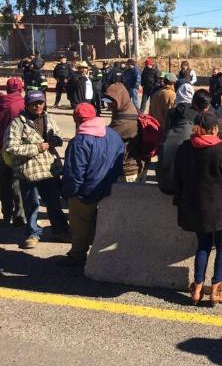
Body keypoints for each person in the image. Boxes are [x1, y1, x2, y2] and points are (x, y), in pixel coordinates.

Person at [174, 111, 222, 306]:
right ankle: (216, 290)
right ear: (214, 129)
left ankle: (196, 288)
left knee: (203, 246)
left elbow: (177, 176)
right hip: (219, 208)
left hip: (195, 207)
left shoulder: (185, 148)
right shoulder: (221, 149)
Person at [4, 90, 70, 249]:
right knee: (31, 204)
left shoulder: (49, 118)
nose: (38, 106)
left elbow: (58, 135)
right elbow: (10, 146)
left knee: (53, 202)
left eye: (40, 102)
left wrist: (57, 140)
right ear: (26, 104)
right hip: (29, 171)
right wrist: (37, 148)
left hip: (48, 169)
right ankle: (32, 233)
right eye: (34, 103)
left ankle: (60, 231)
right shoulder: (18, 122)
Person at [61, 103, 124, 265]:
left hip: (85, 193)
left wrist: (69, 193)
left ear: (76, 120)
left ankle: (77, 256)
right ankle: (100, 257)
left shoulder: (80, 141)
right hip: (109, 189)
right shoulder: (112, 134)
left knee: (80, 226)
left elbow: (75, 174)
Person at [157, 83, 198, 194]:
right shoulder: (196, 112)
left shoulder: (172, 112)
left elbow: (167, 128)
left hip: (172, 144)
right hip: (191, 146)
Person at [0, 78, 26, 227]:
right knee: (18, 183)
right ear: (21, 89)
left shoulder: (2, 102)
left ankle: (6, 213)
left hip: (1, 150)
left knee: (4, 183)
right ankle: (19, 215)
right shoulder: (22, 104)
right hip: (16, 150)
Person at [104, 82, 142, 182]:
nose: (108, 104)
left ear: (120, 99)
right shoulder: (127, 108)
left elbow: (106, 138)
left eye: (111, 101)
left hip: (128, 170)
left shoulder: (125, 119)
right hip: (125, 167)